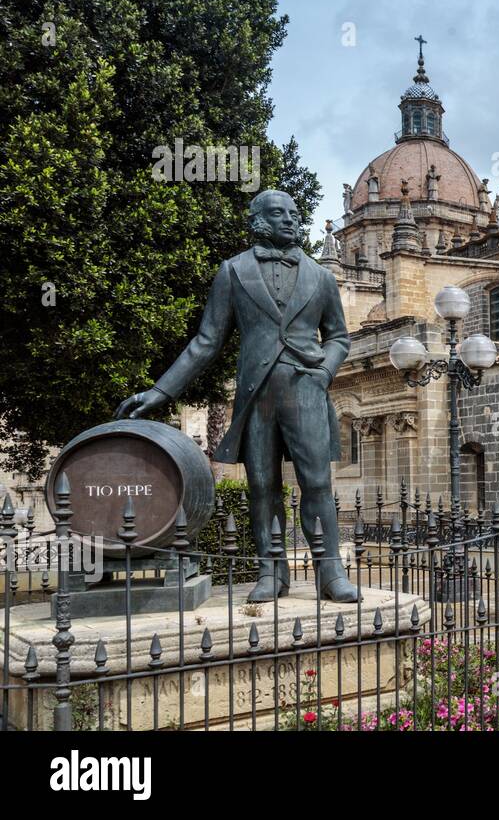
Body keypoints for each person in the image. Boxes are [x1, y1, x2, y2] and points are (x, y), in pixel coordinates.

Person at [116, 190, 359, 602]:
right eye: (279, 213)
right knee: (262, 487)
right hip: (256, 395)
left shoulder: (321, 276)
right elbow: (206, 342)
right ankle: (271, 572)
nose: (289, 219)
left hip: (306, 390)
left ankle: (330, 573)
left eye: (294, 213)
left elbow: (338, 337)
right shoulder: (232, 271)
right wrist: (160, 391)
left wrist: (323, 371)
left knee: (317, 482)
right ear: (259, 219)